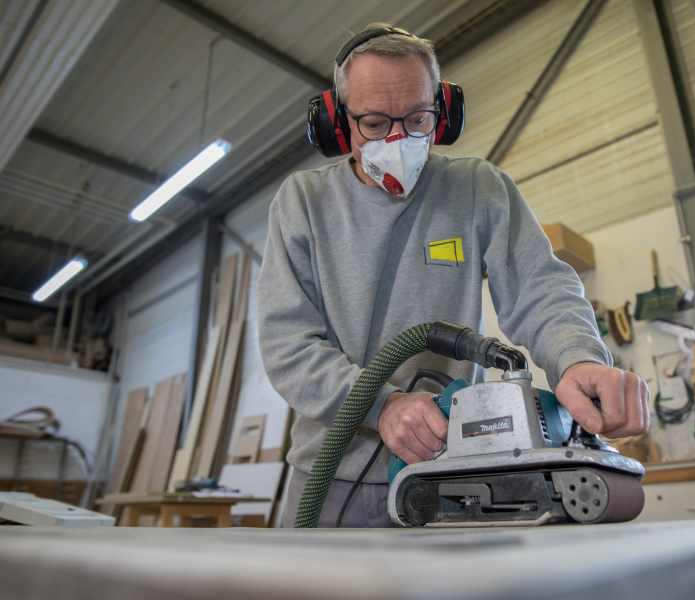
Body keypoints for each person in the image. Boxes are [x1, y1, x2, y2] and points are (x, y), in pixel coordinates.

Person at [258, 24, 649, 528]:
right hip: (331, 476)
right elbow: (286, 341)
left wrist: (577, 359)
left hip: (455, 474)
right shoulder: (303, 203)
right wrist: (383, 405)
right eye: (375, 124)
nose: (398, 140)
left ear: (444, 112)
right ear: (337, 120)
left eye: (417, 118)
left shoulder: (477, 188)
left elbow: (540, 289)